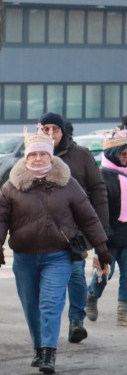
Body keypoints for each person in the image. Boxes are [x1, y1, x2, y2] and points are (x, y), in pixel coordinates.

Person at [0, 128, 110, 374]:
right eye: (33, 155)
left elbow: (88, 218)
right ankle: (38, 347)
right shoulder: (13, 186)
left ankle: (48, 353)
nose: (38, 159)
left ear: (51, 156)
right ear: (26, 157)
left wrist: (102, 247)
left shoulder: (68, 183)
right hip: (24, 258)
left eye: (43, 154)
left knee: (51, 303)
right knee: (31, 305)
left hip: (59, 256)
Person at [38, 112, 110, 344]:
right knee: (44, 281)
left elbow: (98, 189)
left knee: (76, 275)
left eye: (55, 129)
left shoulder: (81, 155)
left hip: (75, 229)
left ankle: (76, 321)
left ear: (63, 132)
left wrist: (101, 226)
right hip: (42, 229)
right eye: (45, 129)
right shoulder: (35, 154)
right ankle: (46, 327)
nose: (50, 134)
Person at [86, 130, 127, 326]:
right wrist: (103, 229)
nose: (126, 158)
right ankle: (92, 295)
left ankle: (123, 310)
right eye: (123, 154)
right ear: (113, 153)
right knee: (105, 272)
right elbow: (98, 207)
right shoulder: (103, 176)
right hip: (108, 236)